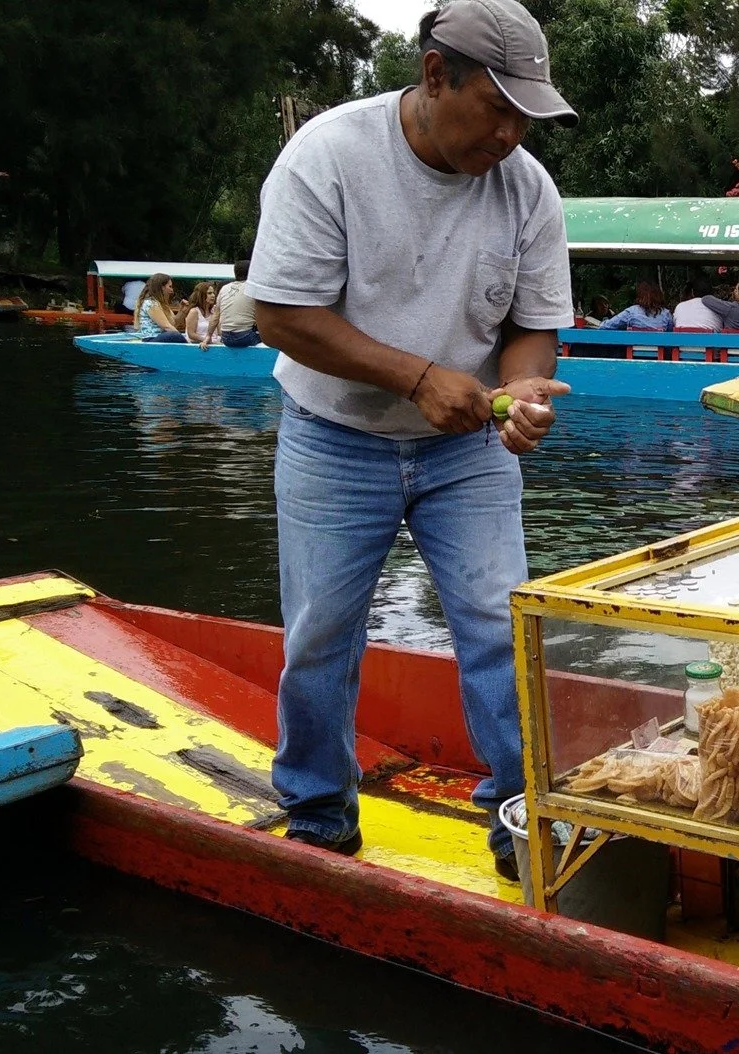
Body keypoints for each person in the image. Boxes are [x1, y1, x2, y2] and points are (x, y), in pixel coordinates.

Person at [246, 0, 575, 875]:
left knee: (502, 624)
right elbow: (281, 314)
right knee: (320, 633)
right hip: (334, 434)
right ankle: (319, 812)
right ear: (435, 75)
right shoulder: (330, 155)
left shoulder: (528, 190)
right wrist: (420, 378)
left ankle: (521, 818)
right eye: (497, 109)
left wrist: (523, 392)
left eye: (526, 119)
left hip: (469, 445)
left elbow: (532, 325)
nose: (510, 135)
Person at [215, 260, 262, 346]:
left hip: (226, 338)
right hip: (245, 337)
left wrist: (208, 336)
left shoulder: (224, 288)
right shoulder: (253, 288)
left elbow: (215, 316)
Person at [131, 273, 187, 342]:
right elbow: (167, 326)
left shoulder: (162, 304)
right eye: (170, 286)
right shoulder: (151, 303)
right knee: (174, 335)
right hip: (152, 339)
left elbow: (173, 324)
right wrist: (185, 342)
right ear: (162, 287)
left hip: (161, 338)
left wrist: (182, 311)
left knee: (175, 335)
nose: (172, 290)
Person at [597, 280, 673, 331]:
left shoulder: (632, 312)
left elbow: (607, 325)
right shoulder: (666, 314)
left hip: (634, 349)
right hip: (659, 349)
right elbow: (671, 332)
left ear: (640, 295)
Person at [184, 281, 220, 348]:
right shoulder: (194, 311)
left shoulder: (215, 310)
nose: (213, 295)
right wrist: (205, 340)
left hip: (214, 343)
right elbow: (191, 334)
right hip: (196, 345)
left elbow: (220, 332)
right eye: (209, 293)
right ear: (201, 295)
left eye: (213, 293)